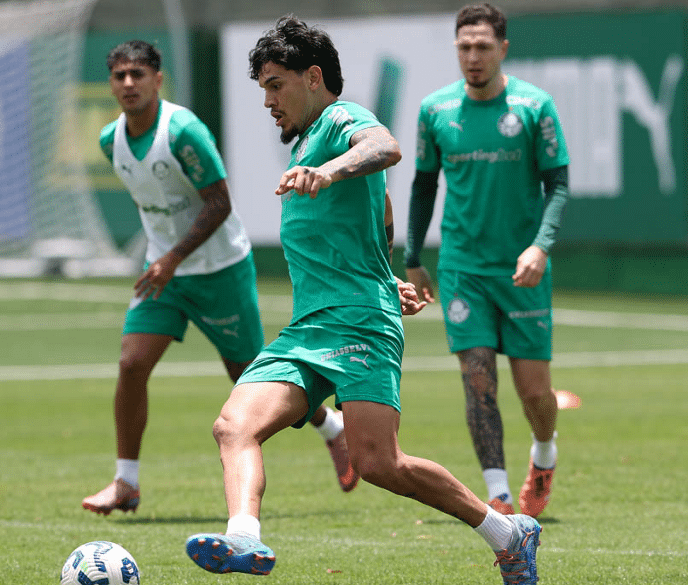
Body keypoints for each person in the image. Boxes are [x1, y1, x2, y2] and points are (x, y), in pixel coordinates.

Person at [184, 17, 543, 584]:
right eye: (262, 89)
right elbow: (380, 221)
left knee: (378, 464)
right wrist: (384, 275)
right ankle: (244, 541)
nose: (268, 100)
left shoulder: (340, 120)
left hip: (358, 327)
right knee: (234, 426)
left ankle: (507, 532)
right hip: (308, 329)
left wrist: (327, 173)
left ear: (314, 77)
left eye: (276, 85)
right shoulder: (304, 141)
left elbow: (384, 147)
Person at [81, 40, 358, 516]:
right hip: (165, 276)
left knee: (248, 373)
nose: (128, 84)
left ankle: (332, 428)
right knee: (131, 364)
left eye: (138, 74)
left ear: (157, 79)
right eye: (119, 76)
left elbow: (220, 203)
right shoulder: (112, 141)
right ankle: (126, 482)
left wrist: (172, 257)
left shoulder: (183, 130)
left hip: (219, 270)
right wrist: (163, 259)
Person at [405, 3, 569, 519]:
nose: (472, 56)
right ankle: (497, 494)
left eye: (482, 46)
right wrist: (412, 255)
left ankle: (544, 454)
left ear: (502, 48)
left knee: (535, 395)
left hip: (522, 270)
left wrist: (540, 245)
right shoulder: (435, 111)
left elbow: (558, 185)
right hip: (463, 270)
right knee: (478, 381)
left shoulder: (534, 106)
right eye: (464, 46)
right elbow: (424, 185)